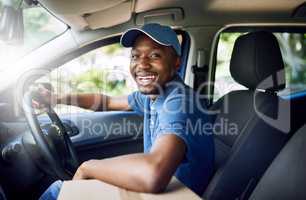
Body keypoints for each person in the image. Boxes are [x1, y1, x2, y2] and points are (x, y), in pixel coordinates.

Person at [38, 23, 214, 200]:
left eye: (155, 55)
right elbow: (107, 101)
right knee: (60, 189)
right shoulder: (154, 94)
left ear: (176, 63)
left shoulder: (180, 102)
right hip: (159, 192)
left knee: (57, 192)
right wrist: (58, 98)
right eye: (135, 56)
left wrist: (88, 167)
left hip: (177, 195)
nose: (142, 64)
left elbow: (154, 174)